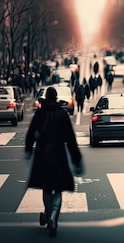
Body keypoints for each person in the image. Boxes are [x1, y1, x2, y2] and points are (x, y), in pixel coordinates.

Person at [24, 86, 83, 237]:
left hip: (42, 154)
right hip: (58, 154)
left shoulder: (40, 113)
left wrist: (29, 149)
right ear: (56, 97)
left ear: (46, 96)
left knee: (46, 187)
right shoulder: (62, 114)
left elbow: (31, 133)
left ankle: (48, 212)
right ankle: (53, 217)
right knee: (58, 188)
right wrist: (76, 159)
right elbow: (70, 139)